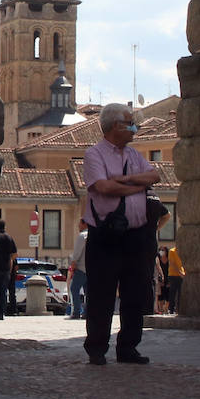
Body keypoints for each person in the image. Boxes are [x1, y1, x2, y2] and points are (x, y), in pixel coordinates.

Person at [80, 103, 160, 365]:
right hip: (106, 234)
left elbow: (155, 176)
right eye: (131, 123)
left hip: (137, 235)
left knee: (135, 292)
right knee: (101, 293)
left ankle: (128, 347)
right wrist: (136, 185)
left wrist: (123, 181)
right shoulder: (94, 155)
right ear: (116, 126)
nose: (135, 128)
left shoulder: (135, 155)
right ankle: (97, 347)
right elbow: (103, 187)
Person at [0, 220, 18, 319]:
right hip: (6, 269)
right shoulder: (8, 237)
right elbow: (15, 254)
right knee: (3, 292)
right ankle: (1, 313)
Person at [67, 219, 88, 319]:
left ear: (84, 224)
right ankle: (87, 312)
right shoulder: (94, 235)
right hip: (91, 268)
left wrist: (73, 264)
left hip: (81, 268)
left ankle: (76, 312)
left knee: (74, 289)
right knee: (88, 292)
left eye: (79, 224)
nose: (78, 226)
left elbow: (77, 253)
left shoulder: (82, 236)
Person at [163, 241, 184, 315]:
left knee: (181, 293)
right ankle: (171, 309)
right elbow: (172, 264)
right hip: (173, 275)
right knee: (173, 292)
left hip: (181, 274)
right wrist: (180, 272)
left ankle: (179, 310)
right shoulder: (172, 251)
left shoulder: (183, 251)